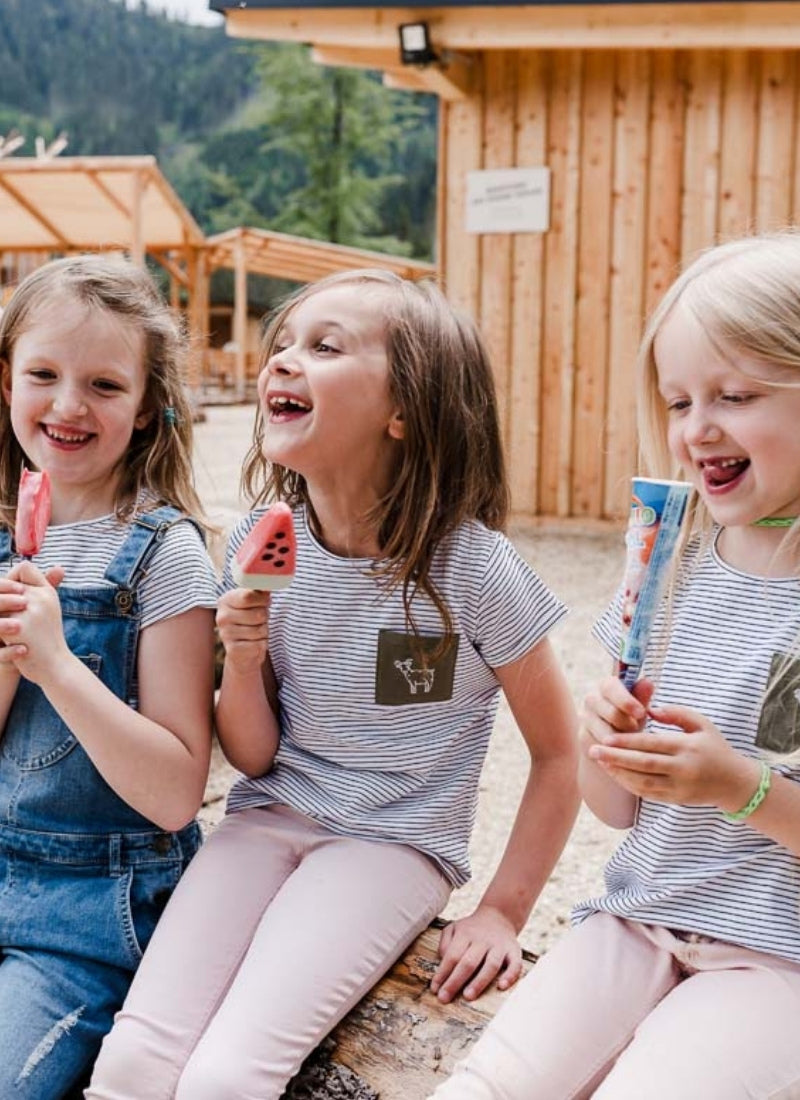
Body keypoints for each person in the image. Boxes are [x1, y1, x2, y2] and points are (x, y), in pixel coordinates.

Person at [87, 268, 580, 1100]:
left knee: (226, 1079)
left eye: (324, 347)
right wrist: (242, 661)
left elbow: (561, 755)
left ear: (404, 412)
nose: (283, 360)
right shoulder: (262, 538)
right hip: (265, 818)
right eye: (284, 344)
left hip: (391, 842)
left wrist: (503, 908)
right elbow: (253, 756)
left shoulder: (472, 567)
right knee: (134, 1061)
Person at [424, 229, 800, 1100]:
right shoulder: (673, 569)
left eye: (736, 395)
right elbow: (615, 810)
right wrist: (606, 741)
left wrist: (738, 789)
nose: (697, 429)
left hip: (779, 957)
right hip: (635, 922)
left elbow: (738, 792)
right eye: (677, 402)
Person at [0, 254, 218, 1098]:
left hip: (90, 914)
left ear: (149, 408)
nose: (67, 405)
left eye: (103, 385)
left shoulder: (166, 557)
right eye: (44, 374)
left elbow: (173, 792)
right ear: (7, 381)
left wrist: (54, 663)